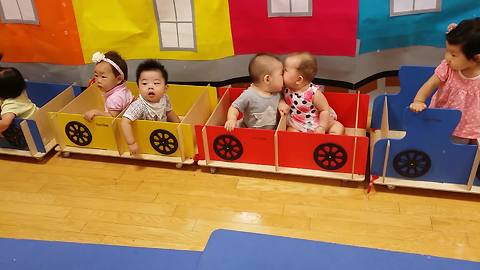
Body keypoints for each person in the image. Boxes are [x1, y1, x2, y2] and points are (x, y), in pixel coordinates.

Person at [409, 18, 480, 144]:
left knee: (469, 152)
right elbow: (430, 84)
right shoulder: (448, 68)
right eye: (447, 51)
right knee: (443, 146)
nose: (447, 57)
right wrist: (418, 100)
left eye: (453, 55)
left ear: (476, 58)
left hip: (471, 124)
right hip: (443, 118)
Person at [121, 59, 180, 155]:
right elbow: (124, 121)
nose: (150, 87)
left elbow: (169, 112)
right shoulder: (139, 105)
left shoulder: (164, 98)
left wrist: (179, 126)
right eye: (144, 83)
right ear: (138, 87)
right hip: (146, 139)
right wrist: (131, 142)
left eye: (156, 83)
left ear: (165, 88)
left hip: (162, 134)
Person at [282, 52, 344, 134]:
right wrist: (281, 103)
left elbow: (324, 110)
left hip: (317, 122)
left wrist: (322, 127)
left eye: (285, 70)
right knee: (290, 131)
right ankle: (303, 142)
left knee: (339, 127)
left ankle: (330, 138)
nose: (282, 72)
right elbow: (279, 98)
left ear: (298, 80)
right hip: (298, 123)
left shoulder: (314, 93)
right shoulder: (286, 88)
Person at [224, 53, 286, 131]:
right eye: (281, 74)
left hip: (270, 133)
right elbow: (234, 107)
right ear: (267, 79)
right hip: (247, 130)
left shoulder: (276, 93)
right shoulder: (249, 94)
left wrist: (282, 104)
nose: (284, 77)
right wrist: (231, 119)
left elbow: (280, 99)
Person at [84, 51, 133, 121]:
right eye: (96, 76)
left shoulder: (114, 99)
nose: (98, 80)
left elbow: (112, 118)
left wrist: (96, 112)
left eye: (103, 77)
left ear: (118, 79)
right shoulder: (122, 88)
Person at [0, 58, 38, 135]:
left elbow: (5, 124)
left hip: (32, 133)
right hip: (39, 120)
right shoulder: (20, 92)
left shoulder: (12, 104)